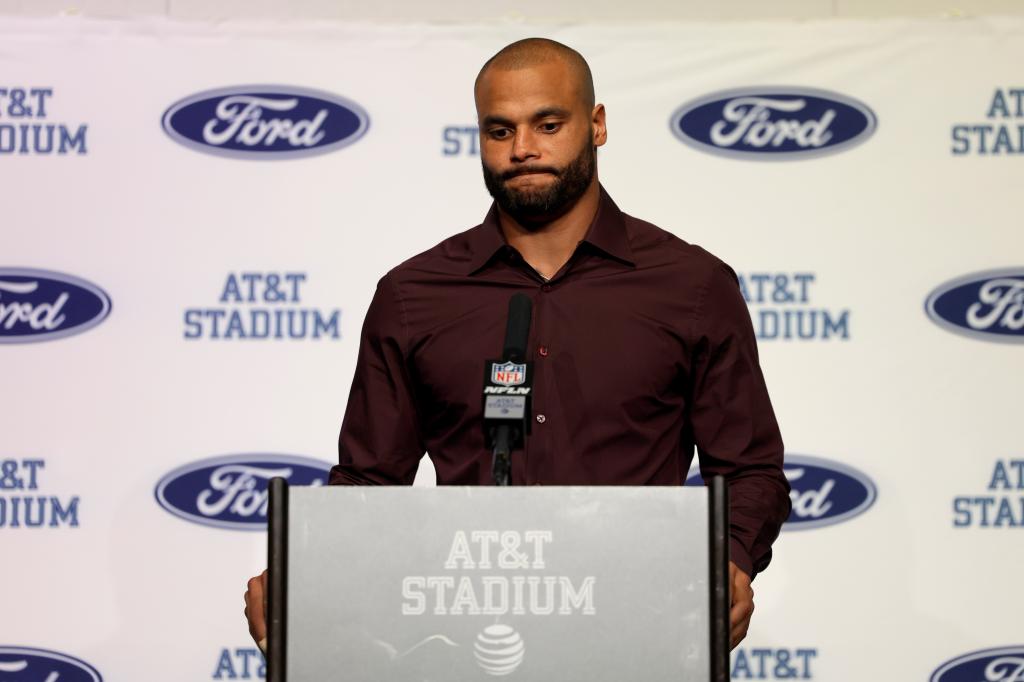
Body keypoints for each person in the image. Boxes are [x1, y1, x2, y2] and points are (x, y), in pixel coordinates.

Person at [245, 37, 790, 652]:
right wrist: (305, 570)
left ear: (598, 124)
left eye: (548, 124)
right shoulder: (412, 294)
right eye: (499, 130)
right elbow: (368, 484)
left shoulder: (690, 285)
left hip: (640, 632)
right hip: (469, 642)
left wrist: (731, 561)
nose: (523, 149)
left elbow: (749, 470)